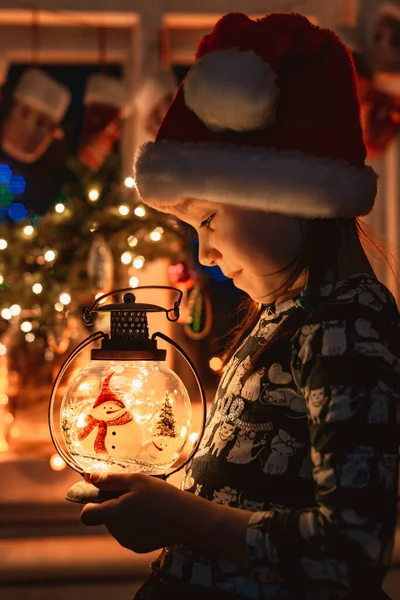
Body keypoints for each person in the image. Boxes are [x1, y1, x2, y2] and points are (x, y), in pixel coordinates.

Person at [80, 13, 400, 600]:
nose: (205, 251)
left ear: (287, 195)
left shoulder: (347, 326)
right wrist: (159, 503)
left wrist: (179, 518)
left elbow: (351, 550)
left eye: (208, 219)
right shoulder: (287, 314)